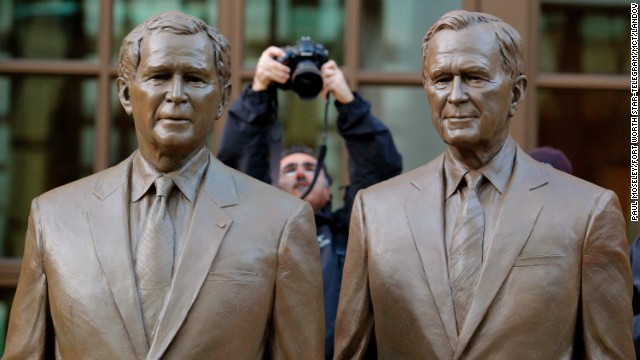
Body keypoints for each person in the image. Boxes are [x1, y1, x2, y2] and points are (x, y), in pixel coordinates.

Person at [3, 11, 324, 359]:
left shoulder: (281, 221)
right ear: (126, 93)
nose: (176, 94)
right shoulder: (54, 217)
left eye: (195, 79)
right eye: (158, 76)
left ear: (222, 98)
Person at [334, 10, 633, 359]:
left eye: (475, 77)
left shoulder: (586, 211)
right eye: (442, 79)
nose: (456, 95)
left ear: (516, 92)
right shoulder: (375, 211)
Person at [217, 46, 402, 359]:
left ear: (329, 191)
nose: (301, 173)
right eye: (289, 169)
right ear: (273, 187)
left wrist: (347, 101)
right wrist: (259, 90)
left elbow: (380, 172)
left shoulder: (350, 235)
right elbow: (236, 169)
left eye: (310, 168)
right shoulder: (259, 232)